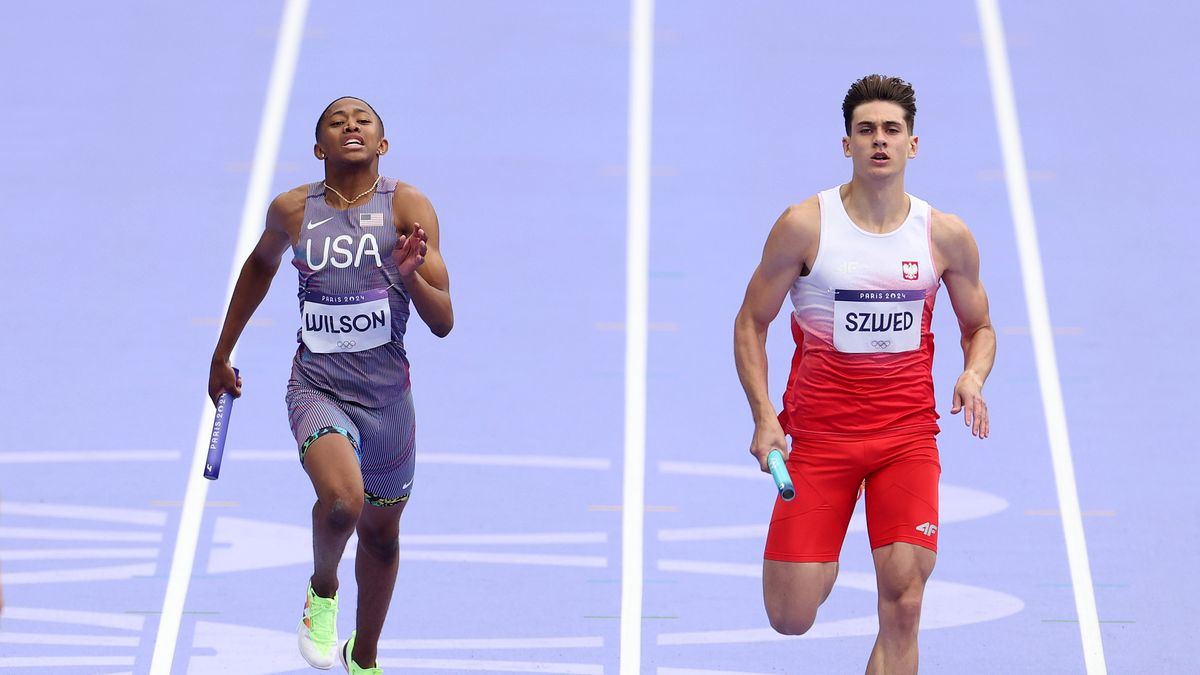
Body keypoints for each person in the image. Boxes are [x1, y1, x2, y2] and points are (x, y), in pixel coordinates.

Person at [733, 74, 995, 674]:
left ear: (913, 144)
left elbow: (980, 328)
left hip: (905, 438)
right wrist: (766, 416)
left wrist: (972, 376)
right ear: (846, 143)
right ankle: (819, 554)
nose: (880, 140)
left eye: (891, 130)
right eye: (866, 130)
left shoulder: (944, 235)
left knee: (904, 599)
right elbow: (751, 322)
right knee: (790, 613)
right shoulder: (806, 226)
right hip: (822, 440)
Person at [209, 96, 453, 674]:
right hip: (317, 387)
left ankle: (362, 655)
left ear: (382, 144)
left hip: (390, 402)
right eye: (337, 121)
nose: (351, 126)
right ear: (320, 147)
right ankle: (322, 591)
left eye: (363, 120)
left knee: (383, 536)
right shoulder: (293, 210)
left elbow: (443, 321)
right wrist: (222, 352)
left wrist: (410, 274)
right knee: (344, 502)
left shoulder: (409, 207)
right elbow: (259, 267)